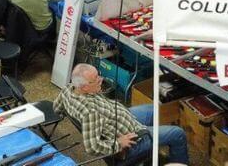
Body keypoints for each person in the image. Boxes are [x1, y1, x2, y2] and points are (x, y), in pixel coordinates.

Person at [53, 63, 189, 166]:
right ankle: (163, 154)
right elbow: (92, 147)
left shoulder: (69, 89)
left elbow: (57, 107)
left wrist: (62, 113)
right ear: (84, 87)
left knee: (154, 110)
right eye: (96, 79)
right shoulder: (90, 113)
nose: (101, 79)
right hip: (132, 139)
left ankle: (151, 150)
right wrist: (119, 143)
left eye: (98, 75)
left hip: (119, 117)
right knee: (178, 134)